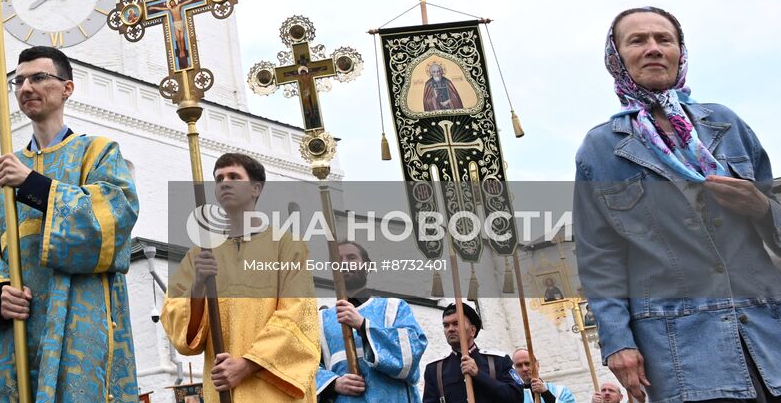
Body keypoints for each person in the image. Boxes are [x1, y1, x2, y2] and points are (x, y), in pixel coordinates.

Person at [573, 7, 781, 403]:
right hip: (684, 353)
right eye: (638, 41)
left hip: (779, 340)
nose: (654, 49)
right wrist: (617, 342)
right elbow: (598, 258)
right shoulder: (602, 149)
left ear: (680, 51)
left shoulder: (725, 125)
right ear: (616, 57)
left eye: (664, 39)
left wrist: (759, 206)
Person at [0, 45, 139, 403]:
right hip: (15, 328)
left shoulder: (97, 153)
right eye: (18, 81)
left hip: (78, 316)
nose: (26, 88)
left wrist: (32, 185)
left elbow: (116, 216)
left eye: (39, 78)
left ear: (67, 88)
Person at [163, 152, 321, 403]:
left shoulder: (288, 246)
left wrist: (246, 365)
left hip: (271, 390)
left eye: (234, 176)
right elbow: (177, 323)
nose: (224, 182)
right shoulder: (200, 252)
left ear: (255, 188)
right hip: (221, 387)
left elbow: (297, 316)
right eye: (219, 178)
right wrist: (198, 286)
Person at [315, 241, 427, 402]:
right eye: (338, 260)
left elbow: (412, 352)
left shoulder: (394, 308)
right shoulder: (321, 321)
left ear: (367, 266)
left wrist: (363, 326)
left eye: (352, 258)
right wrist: (333, 383)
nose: (345, 263)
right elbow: (306, 366)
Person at [420, 303, 523, 403]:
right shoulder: (435, 369)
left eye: (456, 324)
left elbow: (517, 397)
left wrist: (479, 374)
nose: (450, 329)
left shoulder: (498, 361)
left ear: (472, 330)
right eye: (446, 325)